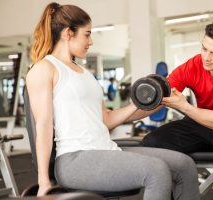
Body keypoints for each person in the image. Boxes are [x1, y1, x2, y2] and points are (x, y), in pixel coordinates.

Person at [26, 2, 200, 200]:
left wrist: (156, 102)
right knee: (156, 170)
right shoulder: (44, 69)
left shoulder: (85, 74)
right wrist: (43, 182)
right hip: (75, 160)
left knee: (184, 165)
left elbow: (106, 119)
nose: (90, 41)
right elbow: (44, 126)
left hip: (105, 150)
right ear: (68, 33)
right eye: (87, 34)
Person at [134, 19, 213, 200]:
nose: (206, 57)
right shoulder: (193, 65)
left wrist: (185, 107)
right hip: (200, 121)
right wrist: (119, 117)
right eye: (204, 48)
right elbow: (159, 97)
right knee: (153, 141)